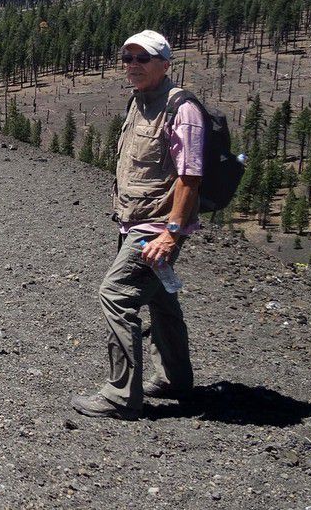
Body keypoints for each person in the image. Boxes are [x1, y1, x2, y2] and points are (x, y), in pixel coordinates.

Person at [71, 29, 204, 420]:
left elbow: (190, 177)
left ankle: (120, 395)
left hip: (158, 227)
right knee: (162, 298)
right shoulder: (140, 101)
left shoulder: (181, 109)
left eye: (141, 59)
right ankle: (174, 377)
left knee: (116, 294)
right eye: (127, 58)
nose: (132, 66)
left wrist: (171, 233)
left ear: (165, 62)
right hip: (134, 221)